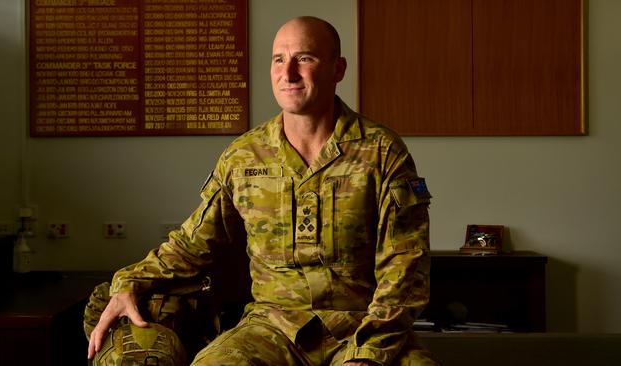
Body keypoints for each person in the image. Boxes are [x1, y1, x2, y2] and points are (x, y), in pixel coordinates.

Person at [88, 16, 437, 366]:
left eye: (305, 58)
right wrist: (129, 280)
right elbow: (192, 244)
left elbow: (405, 266)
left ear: (338, 69)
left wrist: (369, 355)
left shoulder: (382, 152)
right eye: (278, 60)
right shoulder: (244, 155)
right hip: (272, 329)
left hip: (361, 326)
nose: (288, 74)